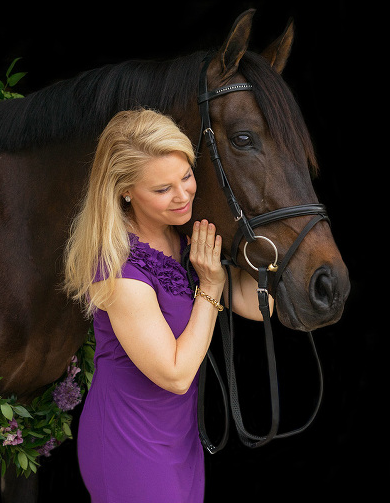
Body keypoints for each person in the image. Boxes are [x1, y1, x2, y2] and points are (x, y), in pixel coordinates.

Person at [63, 109, 272, 502]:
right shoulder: (119, 269)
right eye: (162, 189)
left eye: (186, 177)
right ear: (124, 190)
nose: (183, 195)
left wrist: (266, 235)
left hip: (178, 439)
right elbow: (175, 375)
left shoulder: (185, 236)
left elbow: (258, 306)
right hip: (129, 440)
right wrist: (210, 284)